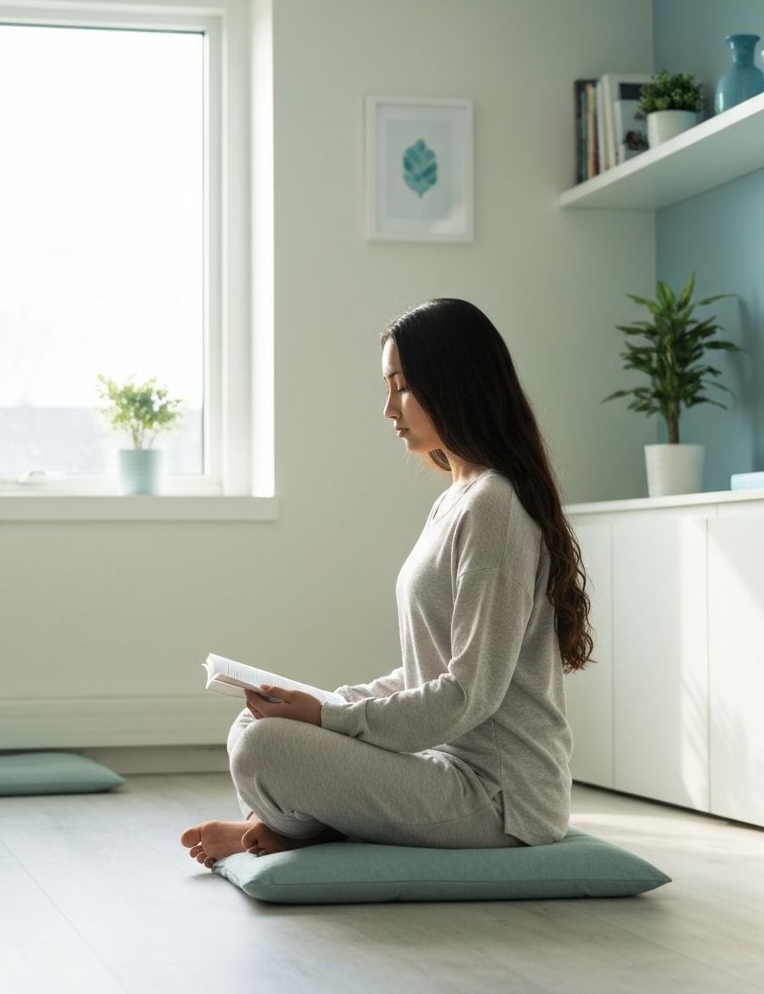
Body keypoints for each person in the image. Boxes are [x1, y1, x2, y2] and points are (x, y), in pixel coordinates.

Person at [181, 298, 592, 868]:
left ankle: (296, 827)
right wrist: (328, 702)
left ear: (451, 384)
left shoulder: (494, 506)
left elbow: (468, 694)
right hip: (441, 766)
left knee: (261, 745)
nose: (387, 408)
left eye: (400, 386)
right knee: (255, 724)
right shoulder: (457, 500)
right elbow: (426, 671)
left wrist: (327, 719)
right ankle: (296, 826)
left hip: (500, 801)